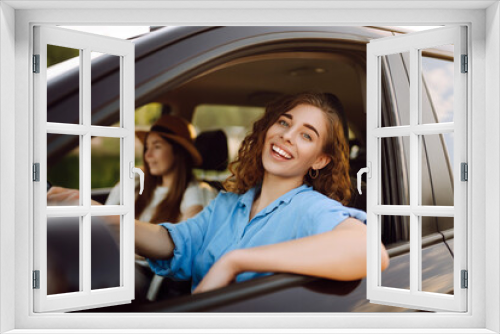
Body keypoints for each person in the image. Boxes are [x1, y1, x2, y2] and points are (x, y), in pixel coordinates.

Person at [49, 92, 390, 295]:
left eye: (306, 135)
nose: (287, 136)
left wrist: (236, 261)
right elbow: (173, 242)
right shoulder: (229, 203)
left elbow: (371, 252)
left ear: (320, 159)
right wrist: (104, 215)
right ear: (268, 129)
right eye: (284, 123)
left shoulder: (311, 209)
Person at [105, 114, 217, 223]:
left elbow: (189, 236)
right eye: (147, 147)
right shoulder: (135, 183)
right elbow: (103, 220)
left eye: (157, 147)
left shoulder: (198, 193)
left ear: (178, 152)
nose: (147, 155)